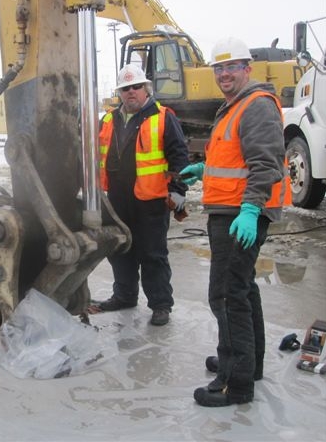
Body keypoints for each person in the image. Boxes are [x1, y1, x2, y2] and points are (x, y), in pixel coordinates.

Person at [179, 37, 291, 407]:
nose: (224, 74)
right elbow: (236, 159)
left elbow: (266, 165)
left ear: (248, 69)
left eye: (232, 67)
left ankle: (235, 383)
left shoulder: (255, 106)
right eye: (219, 68)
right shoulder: (234, 106)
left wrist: (250, 210)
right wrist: (204, 168)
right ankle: (247, 362)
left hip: (239, 213)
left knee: (226, 294)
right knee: (242, 288)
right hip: (230, 209)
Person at [89, 64, 190, 326]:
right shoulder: (109, 119)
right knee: (121, 250)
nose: (131, 92)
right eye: (125, 88)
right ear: (120, 93)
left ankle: (160, 305)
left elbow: (179, 156)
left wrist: (178, 191)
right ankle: (124, 296)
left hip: (151, 199)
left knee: (152, 254)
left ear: (146, 89)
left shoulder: (163, 117)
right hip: (118, 199)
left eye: (136, 87)